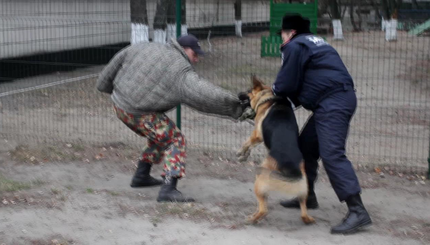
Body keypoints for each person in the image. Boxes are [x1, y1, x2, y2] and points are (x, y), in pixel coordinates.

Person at [96, 34, 250, 203]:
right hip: (138, 113)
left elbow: (112, 67)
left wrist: (107, 88)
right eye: (195, 54)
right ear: (184, 49)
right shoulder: (180, 71)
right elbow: (205, 95)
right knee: (175, 139)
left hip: (119, 105)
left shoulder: (144, 46)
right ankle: (168, 189)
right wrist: (237, 106)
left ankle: (142, 175)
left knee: (161, 134)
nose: (196, 59)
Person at [271, 14, 372, 234]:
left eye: (283, 34)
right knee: (306, 147)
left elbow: (286, 83)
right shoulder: (316, 44)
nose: (281, 39)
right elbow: (308, 82)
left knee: (332, 154)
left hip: (333, 102)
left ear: (292, 33)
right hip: (334, 99)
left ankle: (357, 211)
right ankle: (307, 195)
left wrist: (271, 94)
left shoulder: (295, 45)